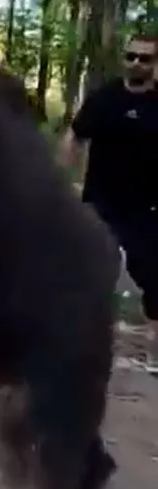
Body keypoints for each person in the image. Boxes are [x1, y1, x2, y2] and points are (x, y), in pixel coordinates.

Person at [62, 33, 158, 374]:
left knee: (154, 278)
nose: (136, 63)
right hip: (99, 203)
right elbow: (75, 136)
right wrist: (63, 181)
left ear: (155, 64)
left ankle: (154, 352)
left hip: (146, 209)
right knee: (83, 277)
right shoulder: (105, 99)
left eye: (145, 58)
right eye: (131, 56)